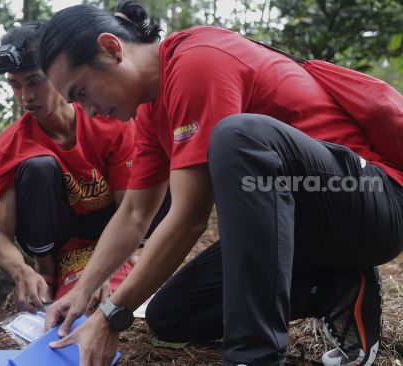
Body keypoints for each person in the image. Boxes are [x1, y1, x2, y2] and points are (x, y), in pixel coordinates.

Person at [36, 1, 403, 366]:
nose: (87, 111)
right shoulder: (150, 109)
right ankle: (336, 287)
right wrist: (82, 293)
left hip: (369, 200)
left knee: (238, 136)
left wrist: (111, 315)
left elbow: (190, 217)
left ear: (112, 49)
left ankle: (254, 357)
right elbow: (133, 214)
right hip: (301, 228)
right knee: (171, 315)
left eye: (81, 93)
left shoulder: (197, 61)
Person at [0, 22, 165, 314]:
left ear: (57, 76)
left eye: (34, 82)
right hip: (61, 242)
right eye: (15, 85)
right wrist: (20, 270)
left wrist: (104, 270)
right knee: (37, 167)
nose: (25, 97)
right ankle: (46, 270)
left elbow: (130, 209)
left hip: (110, 231)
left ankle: (127, 258)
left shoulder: (107, 119)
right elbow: (2, 236)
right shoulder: (10, 146)